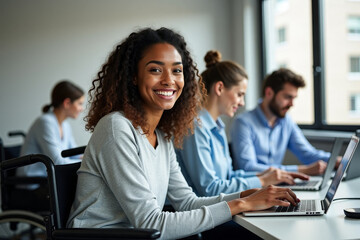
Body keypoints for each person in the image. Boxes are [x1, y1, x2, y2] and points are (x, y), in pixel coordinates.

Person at [66, 27, 299, 240]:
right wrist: (240, 205)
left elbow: (187, 202)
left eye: (177, 70)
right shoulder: (116, 128)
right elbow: (151, 223)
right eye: (155, 69)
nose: (169, 80)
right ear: (133, 77)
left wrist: (244, 196)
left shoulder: (163, 136)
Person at [176, 50, 308, 198]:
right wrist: (262, 180)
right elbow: (210, 190)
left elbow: (229, 176)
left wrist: (266, 173)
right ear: (219, 88)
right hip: (207, 216)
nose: (242, 103)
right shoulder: (195, 127)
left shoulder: (217, 127)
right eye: (239, 94)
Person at [230, 68, 331, 176]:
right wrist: (300, 170)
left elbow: (308, 154)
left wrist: (340, 161)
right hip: (254, 189)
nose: (292, 104)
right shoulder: (243, 123)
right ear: (269, 93)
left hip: (278, 186)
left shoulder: (286, 121)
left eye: (294, 98)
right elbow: (248, 167)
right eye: (288, 97)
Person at [15, 80, 84, 210]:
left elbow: (75, 154)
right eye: (80, 103)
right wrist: (87, 163)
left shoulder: (65, 125)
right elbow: (57, 161)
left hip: (47, 181)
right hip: (33, 185)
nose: (82, 108)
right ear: (67, 103)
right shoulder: (45, 122)